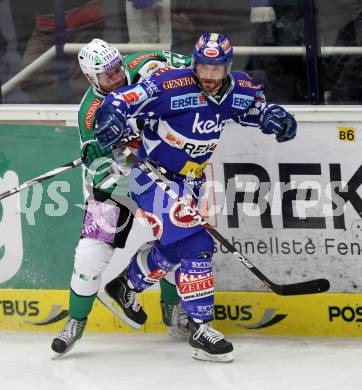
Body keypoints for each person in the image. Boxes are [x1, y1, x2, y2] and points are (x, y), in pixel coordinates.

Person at [94, 32, 297, 362]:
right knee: (196, 245)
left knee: (174, 247)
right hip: (151, 175)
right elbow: (122, 100)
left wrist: (272, 116)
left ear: (227, 68)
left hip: (191, 181)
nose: (208, 77)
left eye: (216, 70)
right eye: (203, 67)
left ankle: (126, 286)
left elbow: (254, 107)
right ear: (194, 63)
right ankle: (202, 328)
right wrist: (112, 116)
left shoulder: (240, 87)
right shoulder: (170, 85)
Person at [51, 38, 192, 358]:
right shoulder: (91, 115)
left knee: (176, 237)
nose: (116, 77)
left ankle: (172, 310)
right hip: (116, 183)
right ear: (91, 78)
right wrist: (126, 168)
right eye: (107, 75)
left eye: (117, 69)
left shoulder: (145, 64)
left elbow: (197, 68)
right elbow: (101, 169)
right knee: (89, 254)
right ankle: (76, 320)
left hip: (163, 165)